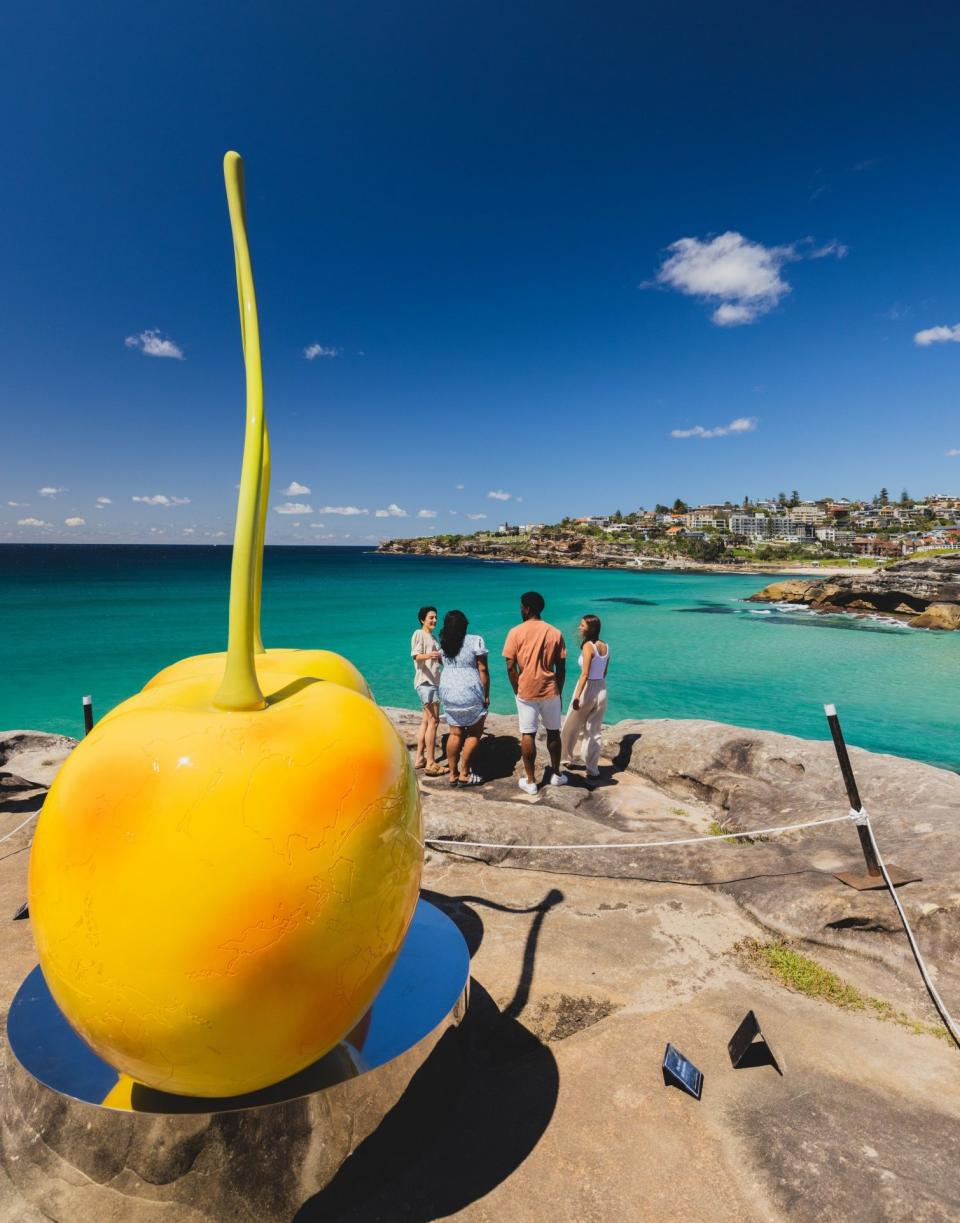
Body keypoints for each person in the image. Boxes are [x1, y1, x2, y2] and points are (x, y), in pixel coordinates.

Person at [502, 591, 567, 794]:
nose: (520, 610)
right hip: (550, 689)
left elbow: (510, 665)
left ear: (527, 608)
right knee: (554, 731)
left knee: (527, 733)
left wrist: (517, 688)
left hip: (526, 690)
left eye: (521, 606)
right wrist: (559, 690)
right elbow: (561, 667)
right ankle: (556, 774)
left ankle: (531, 781)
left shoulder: (515, 632)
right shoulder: (555, 632)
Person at [438, 610, 489, 786]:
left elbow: (442, 663)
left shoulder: (443, 643)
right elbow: (482, 669)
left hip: (448, 691)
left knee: (455, 733)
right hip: (469, 691)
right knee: (474, 733)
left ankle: (453, 775)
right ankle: (465, 773)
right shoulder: (475, 640)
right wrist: (486, 694)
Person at [560, 615, 610, 779]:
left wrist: (576, 697)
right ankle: (592, 769)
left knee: (570, 724)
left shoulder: (588, 646)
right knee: (594, 730)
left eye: (582, 625)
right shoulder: (606, 647)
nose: (579, 627)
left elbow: (585, 674)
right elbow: (604, 673)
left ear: (590, 628)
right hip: (602, 688)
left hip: (587, 688)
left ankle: (565, 758)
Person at [410, 606, 445, 776]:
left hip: (432, 682)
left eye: (436, 617)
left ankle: (419, 759)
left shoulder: (433, 637)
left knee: (426, 721)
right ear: (422, 620)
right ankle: (431, 762)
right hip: (426, 682)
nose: (434, 620)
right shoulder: (419, 633)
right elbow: (416, 656)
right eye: (431, 617)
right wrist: (431, 655)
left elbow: (438, 659)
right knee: (434, 721)